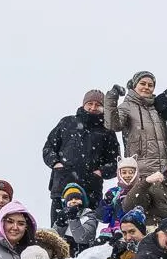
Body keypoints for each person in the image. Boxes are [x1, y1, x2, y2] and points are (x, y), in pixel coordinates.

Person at [43, 89, 120, 229]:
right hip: (62, 187)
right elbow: (48, 148)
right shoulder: (67, 122)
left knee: (85, 235)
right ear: (83, 104)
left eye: (98, 104)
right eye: (90, 103)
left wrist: (100, 172)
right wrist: (56, 163)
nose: (93, 107)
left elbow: (115, 162)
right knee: (57, 232)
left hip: (91, 190)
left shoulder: (107, 131)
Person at [104, 71, 167, 178]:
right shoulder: (126, 106)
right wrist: (111, 98)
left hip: (164, 173)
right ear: (134, 85)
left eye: (150, 85)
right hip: (140, 173)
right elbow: (113, 125)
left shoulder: (158, 109)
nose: (146, 87)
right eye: (142, 83)